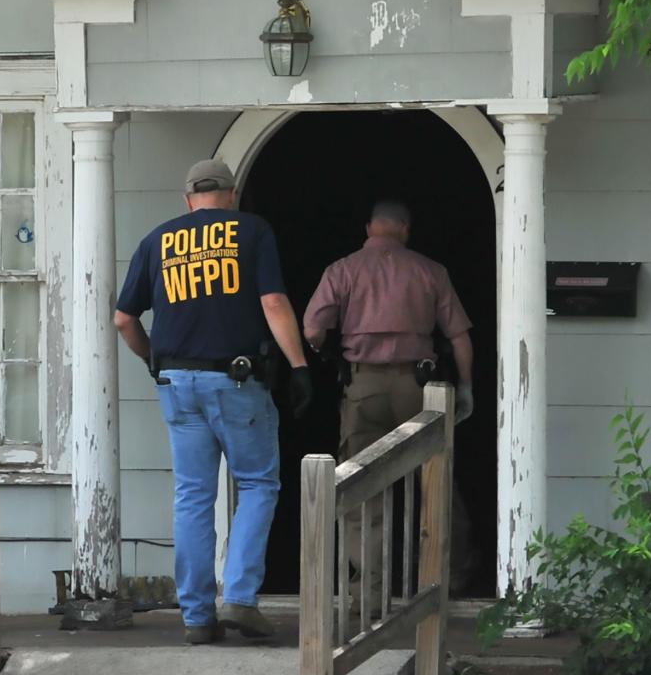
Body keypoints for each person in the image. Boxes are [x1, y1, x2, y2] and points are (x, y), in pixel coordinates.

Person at [114, 158, 313, 645]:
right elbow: (272, 303)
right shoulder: (252, 231)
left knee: (193, 495)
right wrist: (300, 365)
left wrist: (152, 361)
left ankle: (197, 617)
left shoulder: (158, 240)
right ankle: (241, 599)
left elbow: (123, 319)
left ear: (188, 199)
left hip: (177, 384)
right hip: (236, 381)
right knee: (259, 484)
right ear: (231, 193)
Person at [303, 200, 475, 613]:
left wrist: (327, 353)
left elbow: (312, 327)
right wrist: (467, 386)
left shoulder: (342, 270)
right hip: (419, 387)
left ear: (369, 227)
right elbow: (459, 337)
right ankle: (445, 581)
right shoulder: (430, 270)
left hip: (363, 386)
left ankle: (369, 593)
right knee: (435, 481)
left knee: (363, 485)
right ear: (405, 229)